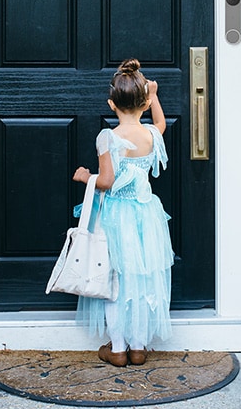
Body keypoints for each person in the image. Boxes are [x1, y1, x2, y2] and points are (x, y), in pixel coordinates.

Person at [72, 58, 175, 367]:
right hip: (146, 216)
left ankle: (118, 348)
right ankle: (140, 347)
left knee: (115, 281)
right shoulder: (150, 136)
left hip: (116, 218)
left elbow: (107, 181)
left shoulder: (108, 138)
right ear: (143, 102)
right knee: (142, 280)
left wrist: (84, 177)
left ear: (111, 104)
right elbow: (161, 125)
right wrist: (155, 96)